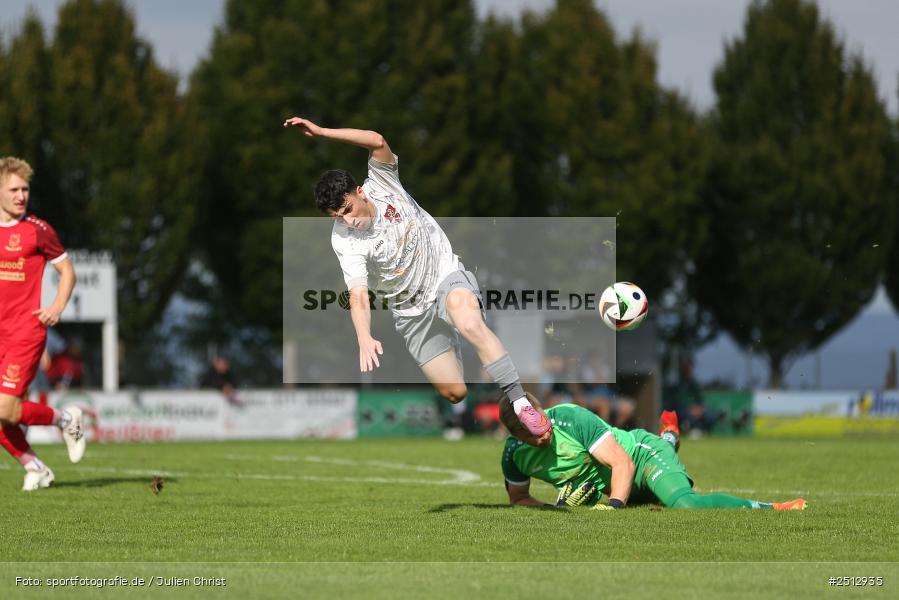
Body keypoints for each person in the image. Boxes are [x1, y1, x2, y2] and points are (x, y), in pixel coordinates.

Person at [284, 116, 547, 436]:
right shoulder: (343, 239)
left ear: (359, 192)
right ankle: (456, 333)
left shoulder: (382, 182)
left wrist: (323, 132)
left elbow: (377, 140)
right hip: (409, 311)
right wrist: (363, 336)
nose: (347, 221)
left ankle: (520, 403)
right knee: (455, 393)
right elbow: (357, 294)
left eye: (348, 210)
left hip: (444, 276)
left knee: (469, 323)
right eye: (338, 217)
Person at [499, 395, 806, 510]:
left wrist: (614, 508)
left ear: (540, 409)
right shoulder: (513, 454)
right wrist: (554, 509)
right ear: (515, 435)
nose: (542, 433)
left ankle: (773, 507)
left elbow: (622, 462)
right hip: (626, 486)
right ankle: (670, 438)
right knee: (655, 494)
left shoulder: (570, 417)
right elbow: (519, 499)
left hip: (639, 457)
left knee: (684, 504)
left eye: (541, 422)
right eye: (531, 433)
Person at [0, 157, 85, 491]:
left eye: (25, 189)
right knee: (3, 413)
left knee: (5, 407)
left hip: (25, 330)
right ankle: (35, 467)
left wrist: (57, 306)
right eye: (14, 189)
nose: (21, 196)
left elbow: (68, 271)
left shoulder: (37, 230)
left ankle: (67, 419)